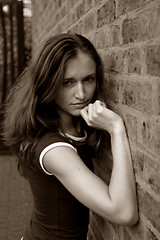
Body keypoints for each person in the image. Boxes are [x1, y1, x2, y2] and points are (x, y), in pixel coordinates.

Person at [2, 33, 138, 240]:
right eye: (67, 82)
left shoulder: (76, 127)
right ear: (47, 83)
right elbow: (123, 213)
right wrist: (116, 128)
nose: (82, 94)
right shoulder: (54, 150)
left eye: (88, 79)